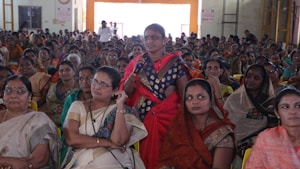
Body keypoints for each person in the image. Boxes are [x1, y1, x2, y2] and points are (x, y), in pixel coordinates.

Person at [121, 23, 189, 169]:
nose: (149, 41)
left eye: (155, 37)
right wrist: (134, 73)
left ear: (164, 40)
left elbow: (185, 96)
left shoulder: (175, 63)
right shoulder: (136, 62)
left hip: (169, 118)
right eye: (146, 38)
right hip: (143, 118)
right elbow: (126, 93)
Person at [62, 66, 147, 169]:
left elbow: (119, 141)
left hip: (117, 161)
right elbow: (71, 139)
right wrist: (107, 143)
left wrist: (119, 106)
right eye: (95, 81)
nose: (96, 87)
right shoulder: (77, 106)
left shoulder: (126, 110)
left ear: (115, 90)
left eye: (103, 84)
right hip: (83, 161)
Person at [156, 79, 234, 169]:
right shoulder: (180, 128)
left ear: (211, 99)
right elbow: (168, 161)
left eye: (201, 97)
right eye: (189, 97)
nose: (195, 102)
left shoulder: (222, 134)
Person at [0, 75, 61, 168]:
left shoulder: (38, 120)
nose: (13, 95)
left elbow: (39, 160)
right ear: (3, 95)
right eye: (8, 91)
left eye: (20, 91)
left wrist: (6, 161)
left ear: (29, 96)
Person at [224, 64, 277, 169]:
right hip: (236, 143)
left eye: (256, 78)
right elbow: (227, 124)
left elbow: (273, 129)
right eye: (248, 76)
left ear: (264, 81)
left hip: (264, 143)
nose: (250, 80)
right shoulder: (235, 99)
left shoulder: (271, 103)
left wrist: (254, 142)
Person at [245, 87, 300, 168]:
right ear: (277, 113)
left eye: (298, 106)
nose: (292, 111)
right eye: (285, 107)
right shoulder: (266, 139)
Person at [60, 66, 95, 163]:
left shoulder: (101, 98)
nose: (85, 82)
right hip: (73, 139)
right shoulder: (71, 98)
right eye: (81, 79)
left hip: (96, 138)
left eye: (89, 78)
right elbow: (64, 123)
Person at [46, 60, 78, 126]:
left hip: (71, 122)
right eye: (61, 71)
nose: (64, 73)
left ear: (74, 72)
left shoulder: (78, 89)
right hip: (51, 120)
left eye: (68, 70)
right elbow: (49, 103)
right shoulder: (53, 87)